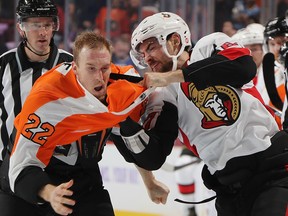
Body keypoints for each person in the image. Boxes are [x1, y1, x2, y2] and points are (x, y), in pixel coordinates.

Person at [120, 12, 288, 215]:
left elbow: (244, 67)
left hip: (272, 171)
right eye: (142, 53)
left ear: (174, 41)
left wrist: (173, 77)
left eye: (151, 47)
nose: (147, 58)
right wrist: (122, 121)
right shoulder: (163, 96)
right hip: (229, 189)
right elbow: (154, 157)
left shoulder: (208, 46)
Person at [0, 31, 170, 216]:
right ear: (75, 69)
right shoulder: (47, 100)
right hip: (32, 183)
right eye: (90, 68)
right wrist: (50, 193)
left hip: (83, 178)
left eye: (104, 68)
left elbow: (125, 141)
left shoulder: (121, 85)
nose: (99, 77)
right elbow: (21, 166)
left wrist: (149, 181)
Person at [0, 0, 73, 166]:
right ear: (21, 28)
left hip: (59, 166)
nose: (43, 32)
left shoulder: (71, 65)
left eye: (48, 25)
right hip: (8, 165)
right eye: (35, 25)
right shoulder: (3, 65)